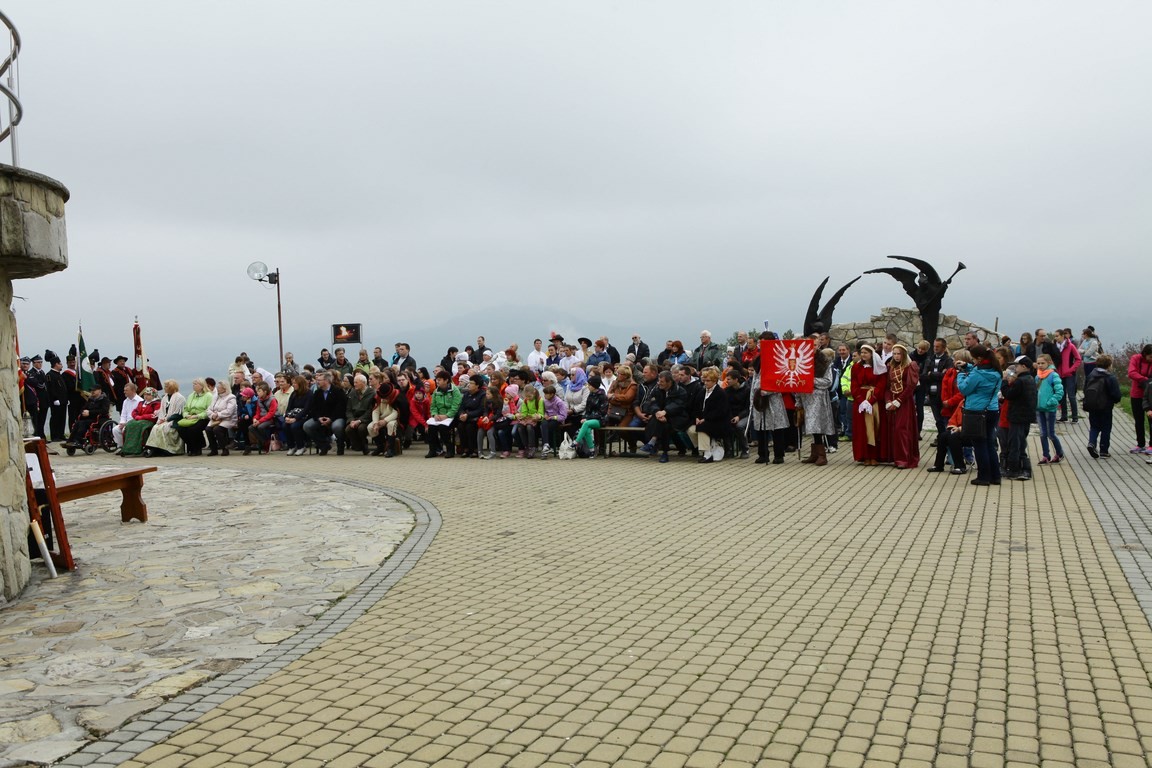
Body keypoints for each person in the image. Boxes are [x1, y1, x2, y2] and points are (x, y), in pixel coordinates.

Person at [956, 344, 1003, 486]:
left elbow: (964, 389)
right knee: (989, 443)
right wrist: (967, 366)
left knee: (979, 444)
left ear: (980, 358)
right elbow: (978, 370)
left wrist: (960, 375)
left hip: (976, 411)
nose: (973, 362)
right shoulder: (996, 371)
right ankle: (995, 476)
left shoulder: (978, 374)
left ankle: (983, 477)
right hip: (992, 410)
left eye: (974, 359)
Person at [637, 371, 690, 464]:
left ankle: (653, 443)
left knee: (664, 425)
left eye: (662, 381)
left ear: (669, 382)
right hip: (660, 417)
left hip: (677, 417)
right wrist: (657, 412)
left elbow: (679, 405)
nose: (659, 383)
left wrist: (665, 412)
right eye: (658, 381)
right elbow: (651, 402)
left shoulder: (680, 391)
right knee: (663, 425)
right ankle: (663, 452)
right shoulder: (657, 390)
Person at [850, 345, 888, 466]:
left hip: (874, 399)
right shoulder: (856, 367)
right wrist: (861, 400)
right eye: (862, 352)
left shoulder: (879, 367)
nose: (863, 355)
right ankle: (864, 456)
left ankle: (874, 456)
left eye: (866, 352)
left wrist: (871, 400)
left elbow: (882, 384)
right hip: (860, 401)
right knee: (862, 429)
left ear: (872, 354)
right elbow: (854, 384)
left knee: (875, 427)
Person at [800, 349, 838, 466]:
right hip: (806, 398)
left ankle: (822, 455)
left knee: (817, 425)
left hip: (819, 399)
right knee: (811, 426)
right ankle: (815, 453)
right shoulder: (802, 363)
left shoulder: (825, 364)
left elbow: (828, 381)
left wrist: (811, 380)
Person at [1000, 356, 1036, 480]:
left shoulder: (1020, 381)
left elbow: (1008, 394)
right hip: (1026, 416)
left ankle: (1014, 469)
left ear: (1024, 367)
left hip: (1017, 416)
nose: (1015, 368)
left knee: (1015, 443)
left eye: (1017, 366)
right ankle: (1024, 468)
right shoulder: (1030, 379)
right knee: (1021, 442)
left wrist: (1004, 381)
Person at [1082, 354, 1122, 459]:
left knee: (1094, 426)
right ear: (1109, 365)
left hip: (1092, 406)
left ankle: (1091, 443)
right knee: (1106, 428)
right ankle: (1104, 450)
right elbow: (1116, 394)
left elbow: (1085, 389)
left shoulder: (1090, 376)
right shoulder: (1110, 377)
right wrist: (1115, 400)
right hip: (1106, 407)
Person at [304, 372, 347, 455]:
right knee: (307, 426)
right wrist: (318, 418)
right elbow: (313, 408)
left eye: (319, 380)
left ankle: (340, 445)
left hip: (336, 417)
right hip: (321, 418)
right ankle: (323, 444)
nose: (317, 382)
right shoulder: (317, 393)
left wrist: (331, 419)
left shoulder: (338, 391)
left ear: (326, 381)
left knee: (337, 426)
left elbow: (341, 408)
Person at [1034, 354, 1065, 465]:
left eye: (1043, 363)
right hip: (1039, 408)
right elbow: (1035, 391)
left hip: (1049, 408)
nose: (1040, 365)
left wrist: (1051, 401)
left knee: (1050, 434)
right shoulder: (1038, 376)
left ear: (1049, 363)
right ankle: (1045, 455)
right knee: (1042, 434)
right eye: (1038, 363)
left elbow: (1059, 391)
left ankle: (1059, 453)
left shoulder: (1053, 375)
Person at [693, 367, 729, 463]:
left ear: (714, 381)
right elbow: (696, 407)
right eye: (704, 381)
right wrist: (697, 417)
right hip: (703, 420)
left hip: (718, 421)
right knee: (690, 430)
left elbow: (721, 411)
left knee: (702, 428)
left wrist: (705, 419)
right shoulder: (702, 392)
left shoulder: (720, 393)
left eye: (708, 381)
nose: (705, 383)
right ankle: (706, 449)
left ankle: (707, 454)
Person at [426, 371, 462, 458]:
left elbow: (456, 406)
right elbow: (433, 406)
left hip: (452, 417)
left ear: (446, 380)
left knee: (443, 428)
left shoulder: (455, 390)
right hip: (439, 417)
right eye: (437, 380)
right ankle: (433, 450)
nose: (437, 381)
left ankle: (450, 450)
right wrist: (435, 414)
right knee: (431, 428)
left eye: (439, 380)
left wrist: (447, 415)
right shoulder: (436, 391)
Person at [145, 380, 187, 455]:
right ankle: (155, 448)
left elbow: (179, 413)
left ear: (171, 387)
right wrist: (161, 419)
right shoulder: (165, 398)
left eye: (166, 387)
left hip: (175, 420)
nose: (164, 388)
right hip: (164, 419)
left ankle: (168, 449)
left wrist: (167, 419)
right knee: (155, 427)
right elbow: (162, 411)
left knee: (164, 428)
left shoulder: (180, 398)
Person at [574, 375, 609, 458]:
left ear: (594, 386)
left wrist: (587, 419)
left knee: (586, 424)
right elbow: (587, 410)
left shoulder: (602, 396)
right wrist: (584, 417)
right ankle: (592, 451)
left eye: (589, 385)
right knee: (587, 429)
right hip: (590, 419)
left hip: (601, 419)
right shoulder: (590, 395)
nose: (588, 386)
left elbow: (602, 412)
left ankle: (576, 442)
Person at [1127, 344, 1152, 454]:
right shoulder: (1136, 358)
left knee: (1151, 421)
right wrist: (1144, 379)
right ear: (1145, 354)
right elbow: (1131, 372)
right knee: (1139, 420)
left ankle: (1151, 445)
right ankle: (1140, 444)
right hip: (1137, 394)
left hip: (1150, 395)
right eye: (1150, 357)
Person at [1053, 329, 1082, 423]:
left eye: (1057, 336)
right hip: (1059, 374)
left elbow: (1078, 359)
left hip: (1069, 374)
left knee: (1071, 395)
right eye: (1055, 336)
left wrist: (1071, 369)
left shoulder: (1070, 346)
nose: (1055, 338)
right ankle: (1064, 416)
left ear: (1062, 336)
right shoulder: (1055, 347)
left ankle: (1074, 416)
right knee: (1062, 395)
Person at [203, 381, 237, 456]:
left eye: (219, 387)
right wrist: (212, 415)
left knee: (217, 429)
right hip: (215, 419)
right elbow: (209, 409)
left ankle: (224, 449)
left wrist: (218, 414)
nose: (217, 389)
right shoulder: (215, 397)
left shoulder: (231, 397)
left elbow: (229, 411)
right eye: (217, 387)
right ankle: (213, 449)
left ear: (224, 388)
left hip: (228, 419)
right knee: (208, 429)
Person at [281, 376, 313, 456]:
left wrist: (296, 418)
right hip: (292, 415)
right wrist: (287, 416)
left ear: (300, 384)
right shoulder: (294, 394)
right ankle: (291, 446)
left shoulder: (309, 394)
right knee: (285, 425)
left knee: (294, 426)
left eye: (295, 383)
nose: (293, 385)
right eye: (293, 383)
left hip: (304, 416)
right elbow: (289, 407)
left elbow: (307, 409)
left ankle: (300, 446)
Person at [245, 382, 279, 455]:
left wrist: (259, 421)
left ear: (265, 392)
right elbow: (258, 412)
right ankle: (265, 441)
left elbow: (271, 413)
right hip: (261, 418)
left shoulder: (272, 399)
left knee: (260, 427)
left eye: (259, 391)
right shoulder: (259, 399)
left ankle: (265, 443)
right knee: (251, 427)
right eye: (257, 391)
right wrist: (255, 419)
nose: (258, 393)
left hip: (271, 419)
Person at [457, 378, 486, 458]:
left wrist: (468, 415)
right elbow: (461, 407)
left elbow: (481, 409)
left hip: (475, 417)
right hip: (465, 416)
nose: (469, 385)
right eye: (469, 383)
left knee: (470, 427)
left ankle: (474, 449)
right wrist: (461, 414)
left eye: (471, 383)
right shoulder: (466, 394)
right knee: (460, 426)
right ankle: (465, 449)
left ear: (477, 385)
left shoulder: (482, 395)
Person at [112, 382, 144, 452]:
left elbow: (138, 416)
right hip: (125, 423)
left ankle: (129, 447)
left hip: (135, 423)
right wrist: (122, 423)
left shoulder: (140, 401)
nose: (124, 392)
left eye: (126, 390)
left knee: (124, 429)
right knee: (115, 430)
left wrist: (126, 424)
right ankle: (121, 446)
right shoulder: (125, 401)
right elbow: (123, 414)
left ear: (133, 390)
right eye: (124, 390)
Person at [539, 385, 568, 458]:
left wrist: (552, 417)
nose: (544, 395)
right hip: (548, 419)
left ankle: (547, 446)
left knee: (548, 426)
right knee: (543, 423)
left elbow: (563, 416)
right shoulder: (545, 401)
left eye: (546, 394)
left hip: (557, 420)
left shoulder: (559, 402)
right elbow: (544, 411)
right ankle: (546, 445)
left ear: (552, 394)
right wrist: (545, 415)